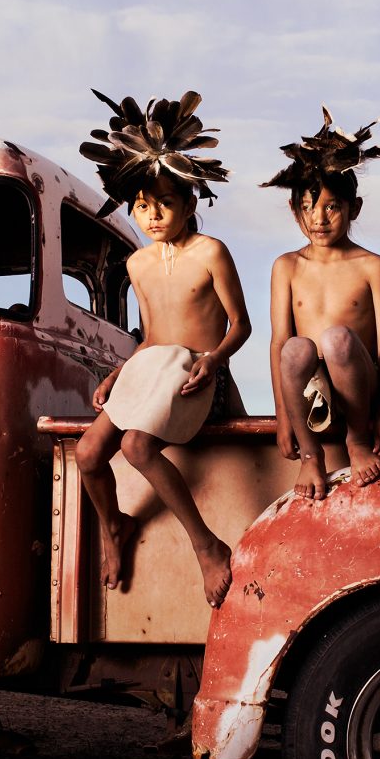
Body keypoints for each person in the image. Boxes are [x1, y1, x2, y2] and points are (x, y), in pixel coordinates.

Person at [72, 89, 253, 608]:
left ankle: (206, 545)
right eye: (142, 207)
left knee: (136, 447)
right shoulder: (137, 263)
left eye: (165, 204)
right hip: (152, 368)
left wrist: (213, 360)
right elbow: (151, 337)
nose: (153, 216)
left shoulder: (211, 252)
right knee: (88, 454)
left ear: (190, 204)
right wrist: (115, 375)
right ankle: (115, 526)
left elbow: (240, 326)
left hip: (198, 372)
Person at [263, 109, 380, 500]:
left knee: (337, 339)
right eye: (308, 207)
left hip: (360, 386)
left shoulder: (372, 266)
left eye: (331, 206)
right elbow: (279, 343)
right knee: (296, 348)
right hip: (310, 392)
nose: (318, 219)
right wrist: (283, 417)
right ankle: (312, 456)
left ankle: (356, 441)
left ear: (353, 208)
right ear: (295, 211)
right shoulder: (287, 266)